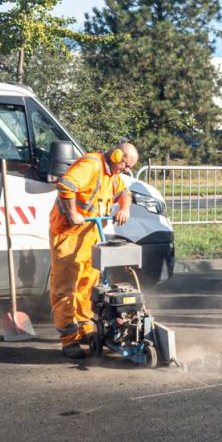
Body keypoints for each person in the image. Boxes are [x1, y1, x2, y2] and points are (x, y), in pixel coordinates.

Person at [48, 142, 138, 358]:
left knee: (88, 285)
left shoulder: (111, 175)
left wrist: (124, 208)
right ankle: (69, 340)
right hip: (69, 233)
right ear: (117, 156)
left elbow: (125, 193)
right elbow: (65, 186)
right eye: (126, 166)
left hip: (91, 234)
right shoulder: (91, 164)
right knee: (66, 288)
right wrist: (72, 213)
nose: (126, 170)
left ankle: (85, 328)